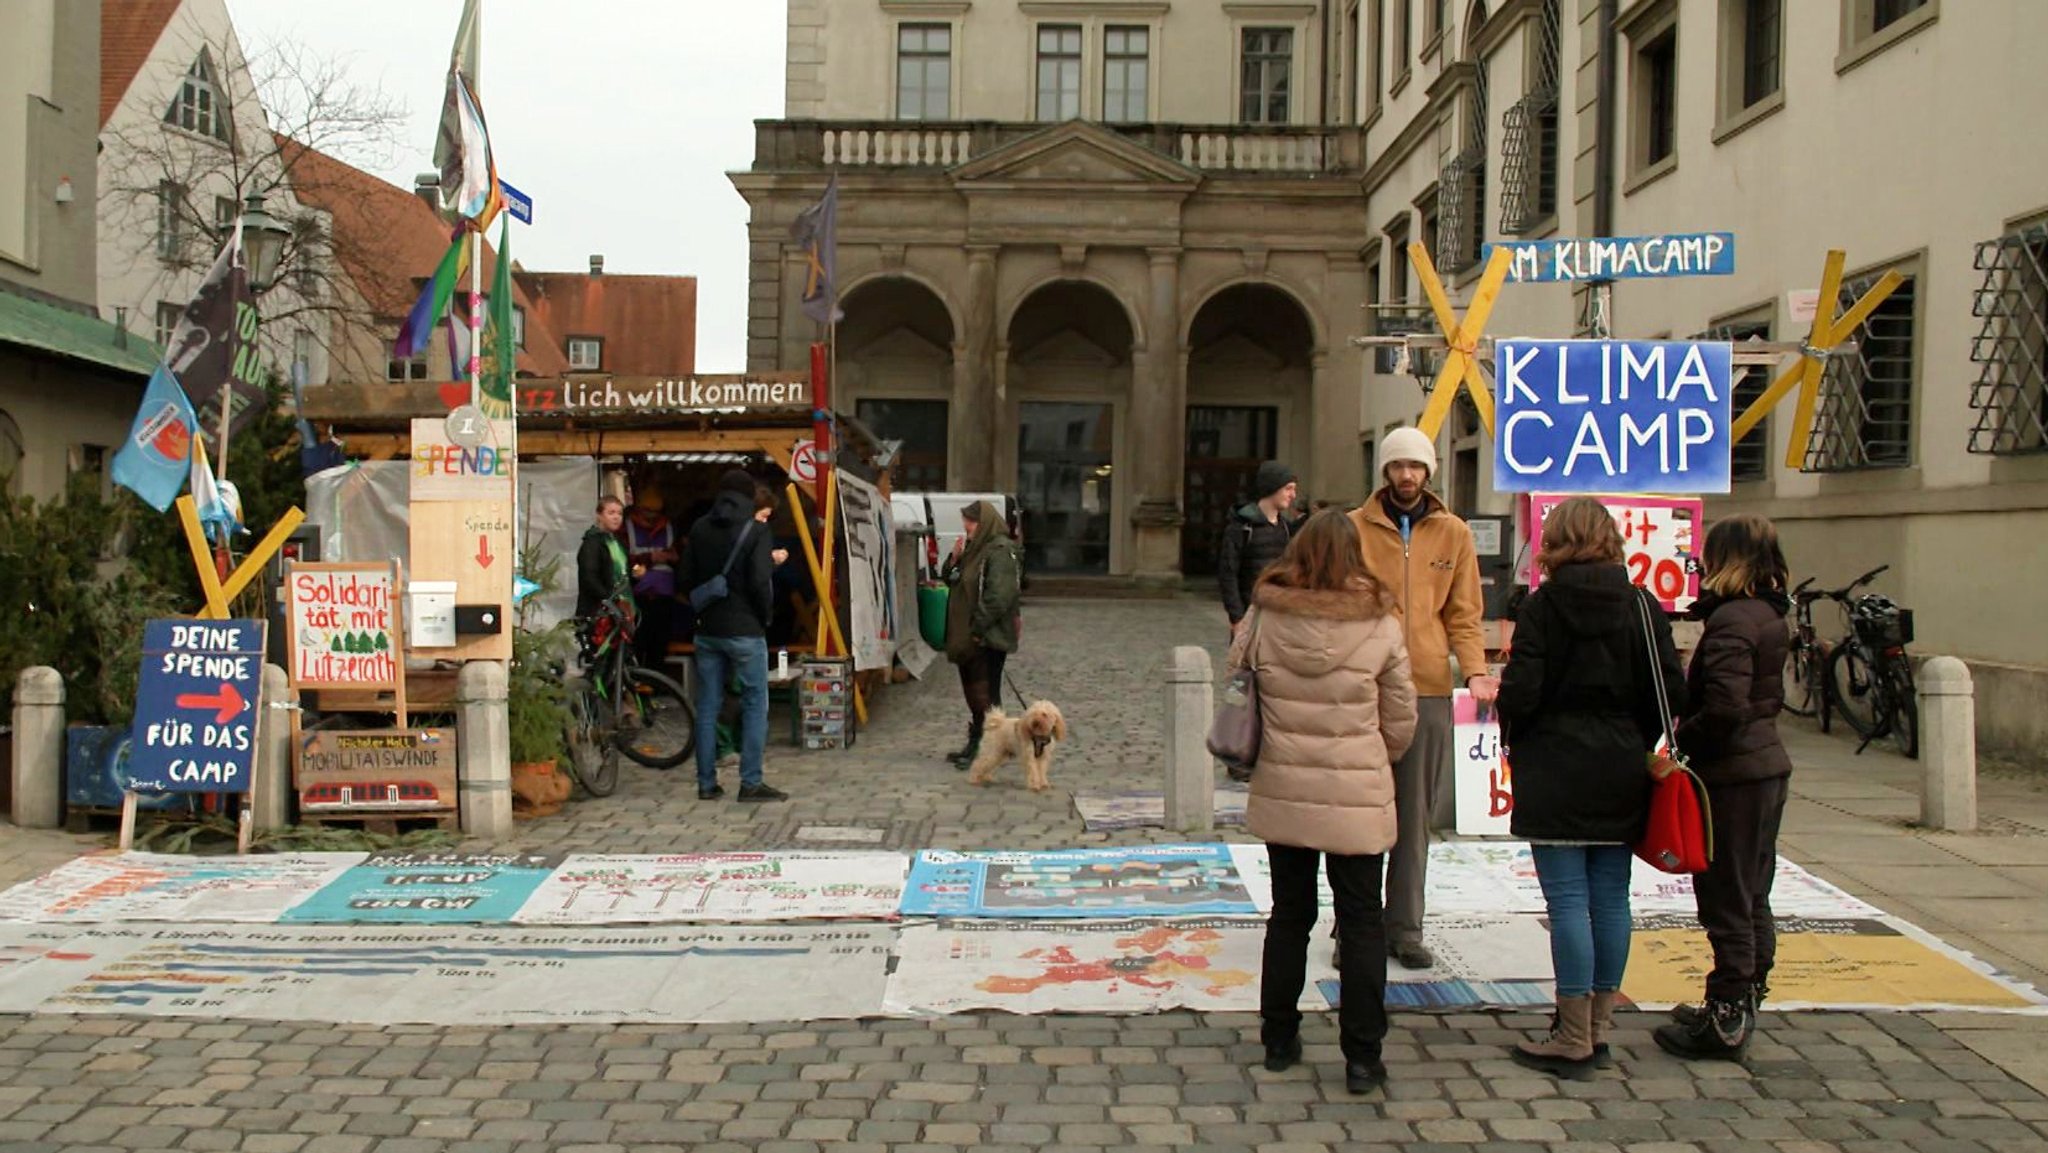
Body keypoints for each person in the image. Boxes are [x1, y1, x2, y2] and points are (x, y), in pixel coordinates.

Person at [1496, 497, 1683, 1079]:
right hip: (1621, 764)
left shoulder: (1543, 606)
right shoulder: (1641, 604)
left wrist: (1517, 737)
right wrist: (1635, 737)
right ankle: (1598, 1027)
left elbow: (1521, 690)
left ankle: (1572, 1032)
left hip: (1554, 767)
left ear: (1556, 541)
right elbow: (1669, 690)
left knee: (1570, 902)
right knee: (1610, 898)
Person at [1231, 509, 1415, 1096]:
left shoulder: (1264, 614)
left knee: (1290, 915)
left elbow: (1238, 681)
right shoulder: (1381, 620)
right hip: (1356, 790)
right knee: (1362, 921)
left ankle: (1279, 1037)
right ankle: (1363, 1056)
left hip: (1285, 785)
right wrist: (1371, 756)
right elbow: (1401, 714)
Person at [1347, 427, 1492, 969]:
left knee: (1414, 816)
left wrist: (1474, 669)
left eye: (1416, 466)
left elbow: (1464, 611)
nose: (1407, 476)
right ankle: (1354, 926)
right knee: (1358, 814)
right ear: (1384, 471)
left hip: (1428, 686)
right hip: (1365, 687)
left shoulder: (1453, 533)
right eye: (1397, 466)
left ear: (1429, 472)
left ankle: (1404, 928)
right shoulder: (1353, 528)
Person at [1654, 514, 1794, 1062]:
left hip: (1735, 774)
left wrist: (1683, 743)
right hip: (1763, 767)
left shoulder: (1734, 620)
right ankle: (1745, 992)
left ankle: (1728, 1009)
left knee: (1727, 894)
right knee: (1753, 887)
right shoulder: (1767, 614)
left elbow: (1727, 706)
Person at [685, 469, 786, 803]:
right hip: (745, 630)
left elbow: (685, 577)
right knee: (756, 703)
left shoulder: (700, 527)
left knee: (708, 705)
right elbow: (759, 580)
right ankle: (751, 783)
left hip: (707, 629)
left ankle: (706, 783)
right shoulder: (757, 530)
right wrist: (764, 616)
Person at [941, 499, 1022, 770]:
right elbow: (952, 579)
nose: (966, 526)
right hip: (969, 635)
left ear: (985, 521)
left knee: (985, 695)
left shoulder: (1000, 550)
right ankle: (976, 742)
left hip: (986, 637)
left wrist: (977, 629)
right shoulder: (975, 549)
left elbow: (999, 596)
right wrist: (953, 559)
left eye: (971, 522)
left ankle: (987, 750)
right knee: (974, 696)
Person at [1217, 461, 1301, 636]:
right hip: (1249, 618)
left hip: (1279, 618)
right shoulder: (1241, 527)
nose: (1293, 495)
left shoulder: (1286, 528)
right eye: (1288, 488)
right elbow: (1228, 574)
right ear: (1273, 487)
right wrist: (1237, 618)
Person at [625, 489, 680, 673]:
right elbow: (622, 558)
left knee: (660, 642)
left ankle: (656, 684)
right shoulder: (626, 528)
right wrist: (650, 558)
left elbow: (680, 552)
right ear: (638, 509)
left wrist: (673, 556)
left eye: (656, 512)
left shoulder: (669, 527)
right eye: (648, 512)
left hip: (664, 595)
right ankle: (637, 682)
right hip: (638, 594)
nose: (652, 517)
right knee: (639, 640)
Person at [575, 495, 632, 622]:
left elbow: (624, 573)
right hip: (598, 612)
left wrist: (635, 574)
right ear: (599, 515)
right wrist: (611, 599)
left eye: (620, 513)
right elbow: (589, 578)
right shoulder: (592, 543)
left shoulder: (619, 543)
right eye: (611, 513)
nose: (616, 517)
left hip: (621, 609)